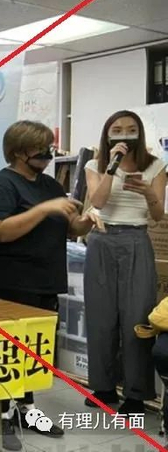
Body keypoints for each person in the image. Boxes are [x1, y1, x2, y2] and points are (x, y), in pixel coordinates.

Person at [0, 120, 101, 451]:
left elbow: (70, 227)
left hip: (47, 280)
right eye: (41, 148)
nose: (49, 154)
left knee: (35, 350)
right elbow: (1, 231)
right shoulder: (2, 183)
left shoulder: (50, 185)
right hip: (12, 281)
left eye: (50, 147)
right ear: (19, 151)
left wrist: (88, 219)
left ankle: (26, 409)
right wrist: (44, 208)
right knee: (9, 350)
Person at [84, 110, 166, 414]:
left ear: (139, 133)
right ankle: (103, 387)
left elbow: (157, 216)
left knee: (137, 317)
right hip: (101, 240)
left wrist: (147, 192)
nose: (124, 134)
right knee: (100, 317)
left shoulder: (155, 165)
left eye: (131, 129)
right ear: (108, 134)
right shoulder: (95, 164)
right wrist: (111, 167)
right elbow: (98, 202)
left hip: (136, 240)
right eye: (116, 129)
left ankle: (136, 394)